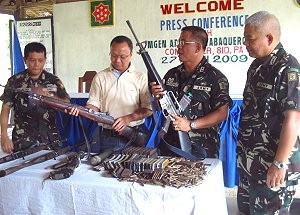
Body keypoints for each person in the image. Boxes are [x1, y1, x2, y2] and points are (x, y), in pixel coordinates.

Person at [237, 11, 300, 214]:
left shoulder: (287, 69)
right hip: (250, 164)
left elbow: (293, 119)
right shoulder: (255, 67)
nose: (245, 43)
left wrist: (279, 163)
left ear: (269, 38)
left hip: (272, 166)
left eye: (250, 39)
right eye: (244, 38)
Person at [150, 26, 232, 158]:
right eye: (178, 42)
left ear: (198, 48)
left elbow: (222, 113)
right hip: (171, 146)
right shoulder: (172, 74)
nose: (178, 47)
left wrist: (191, 125)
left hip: (201, 147)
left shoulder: (215, 78)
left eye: (183, 43)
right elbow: (163, 108)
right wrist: (157, 97)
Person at [70, 35, 152, 153]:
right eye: (113, 56)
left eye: (122, 57)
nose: (117, 60)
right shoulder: (100, 77)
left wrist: (128, 119)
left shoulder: (141, 77)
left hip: (134, 134)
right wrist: (81, 110)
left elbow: (148, 109)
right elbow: (93, 105)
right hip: (107, 136)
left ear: (131, 55)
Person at [0, 42, 70, 153]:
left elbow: (67, 104)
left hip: (49, 140)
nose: (37, 64)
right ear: (25, 59)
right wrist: (4, 136)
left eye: (41, 60)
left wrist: (49, 95)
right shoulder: (14, 81)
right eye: (32, 60)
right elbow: (5, 109)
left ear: (45, 59)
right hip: (22, 141)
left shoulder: (53, 81)